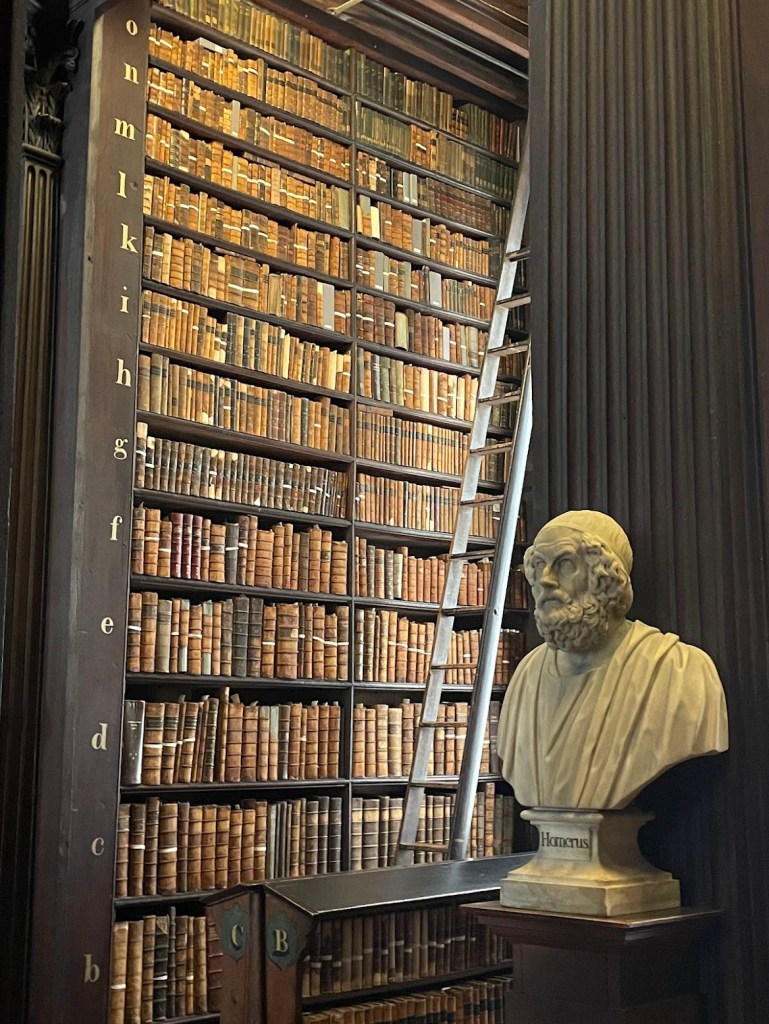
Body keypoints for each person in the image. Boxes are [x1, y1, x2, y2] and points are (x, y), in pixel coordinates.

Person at [496, 510, 728, 809]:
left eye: (565, 564)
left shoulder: (679, 671)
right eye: (538, 565)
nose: (546, 580)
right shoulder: (527, 675)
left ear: (605, 576)